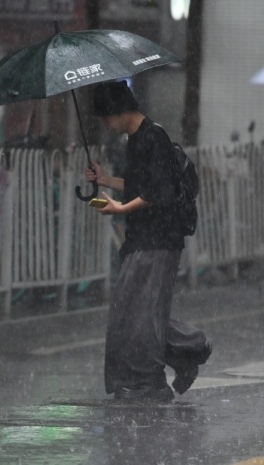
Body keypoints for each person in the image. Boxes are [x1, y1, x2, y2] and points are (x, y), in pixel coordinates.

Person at [84, 81, 212, 402]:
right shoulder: (138, 139)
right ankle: (182, 354)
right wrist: (105, 182)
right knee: (133, 310)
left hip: (159, 239)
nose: (106, 126)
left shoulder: (153, 137)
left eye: (105, 119)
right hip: (143, 237)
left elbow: (160, 191)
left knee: (142, 312)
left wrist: (119, 208)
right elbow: (139, 184)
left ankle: (151, 380)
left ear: (118, 111)